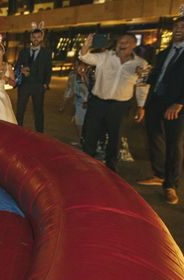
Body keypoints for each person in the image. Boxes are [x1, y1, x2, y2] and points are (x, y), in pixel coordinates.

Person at [79, 33, 148, 172]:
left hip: (120, 106)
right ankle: (86, 164)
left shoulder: (141, 64)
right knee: (90, 134)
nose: (122, 44)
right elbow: (84, 57)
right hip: (98, 102)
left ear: (134, 45)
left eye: (126, 42)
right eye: (120, 42)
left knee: (115, 137)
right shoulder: (105, 56)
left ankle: (110, 167)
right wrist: (87, 45)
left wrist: (141, 106)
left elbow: (142, 86)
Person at [137, 17, 184, 204]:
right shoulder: (164, 52)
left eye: (183, 26)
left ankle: (170, 185)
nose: (179, 29)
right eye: (176, 26)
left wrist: (180, 103)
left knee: (174, 144)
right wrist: (146, 76)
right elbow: (157, 76)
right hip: (156, 101)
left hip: (176, 105)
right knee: (154, 137)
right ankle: (159, 174)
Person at [15, 29, 52, 132]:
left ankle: (39, 134)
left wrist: (45, 84)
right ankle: (17, 132)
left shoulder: (46, 53)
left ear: (41, 38)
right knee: (20, 111)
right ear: (31, 38)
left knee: (38, 111)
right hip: (24, 85)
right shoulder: (23, 52)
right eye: (34, 37)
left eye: (38, 37)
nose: (36, 39)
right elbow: (17, 66)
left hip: (38, 86)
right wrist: (21, 70)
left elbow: (49, 69)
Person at [59, 58, 91, 138]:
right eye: (75, 65)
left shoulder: (89, 74)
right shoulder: (72, 75)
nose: (76, 67)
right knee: (79, 122)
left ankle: (91, 141)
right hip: (79, 101)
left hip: (90, 102)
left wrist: (83, 76)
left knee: (89, 123)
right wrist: (63, 104)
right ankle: (82, 140)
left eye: (78, 65)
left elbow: (92, 88)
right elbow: (69, 89)